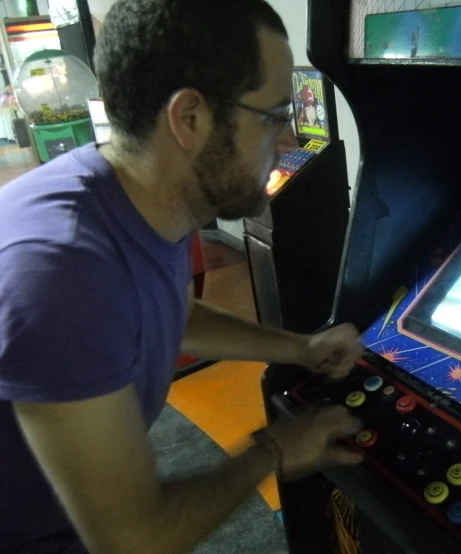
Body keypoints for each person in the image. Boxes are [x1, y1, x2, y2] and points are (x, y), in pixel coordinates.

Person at [0, 1, 364, 553]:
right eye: (275, 116)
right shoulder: (65, 276)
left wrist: (301, 347)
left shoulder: (126, 194)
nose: (289, 142)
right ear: (189, 119)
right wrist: (275, 450)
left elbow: (171, 312)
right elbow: (134, 540)